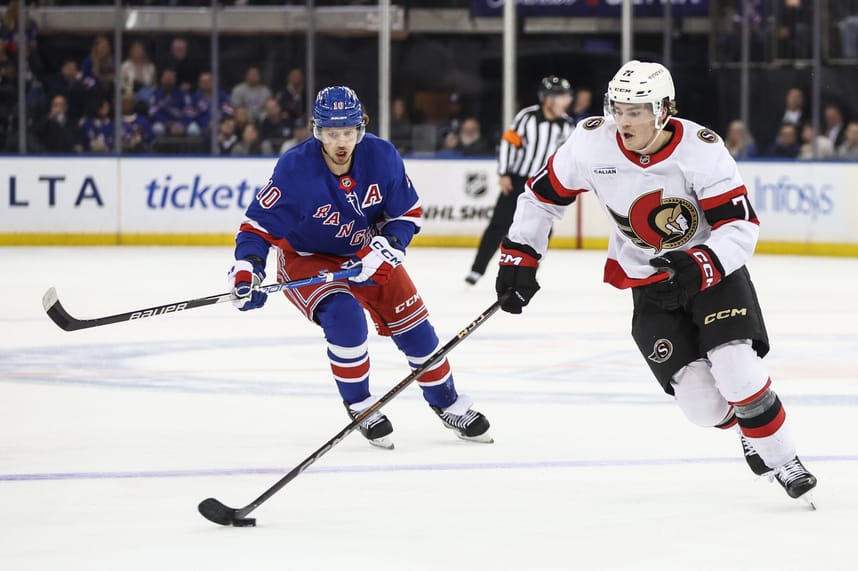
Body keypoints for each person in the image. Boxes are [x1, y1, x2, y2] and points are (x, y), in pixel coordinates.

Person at [494, 60, 817, 505]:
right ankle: (748, 425)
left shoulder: (702, 150)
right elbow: (541, 198)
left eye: (637, 111)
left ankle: (784, 461)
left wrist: (701, 263)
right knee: (702, 408)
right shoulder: (591, 144)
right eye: (618, 109)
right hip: (650, 281)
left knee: (738, 371)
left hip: (711, 273)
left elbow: (740, 228)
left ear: (664, 109)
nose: (624, 121)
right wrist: (521, 255)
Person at [227, 86, 492, 448]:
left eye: (348, 132)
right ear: (316, 130)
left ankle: (447, 403)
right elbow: (258, 227)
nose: (340, 142)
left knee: (417, 332)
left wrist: (386, 247)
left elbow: (406, 215)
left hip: (368, 251)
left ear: (361, 128)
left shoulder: (382, 156)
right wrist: (248, 267)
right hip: (308, 257)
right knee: (345, 317)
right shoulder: (295, 168)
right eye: (332, 133)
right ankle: (361, 404)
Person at [465, 75, 574, 285]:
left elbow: (568, 157)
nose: (567, 101)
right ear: (549, 99)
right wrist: (504, 173)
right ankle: (477, 270)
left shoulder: (567, 126)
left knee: (542, 231)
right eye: (562, 96)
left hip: (544, 185)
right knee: (499, 225)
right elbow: (508, 143)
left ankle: (528, 273)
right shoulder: (527, 117)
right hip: (517, 181)